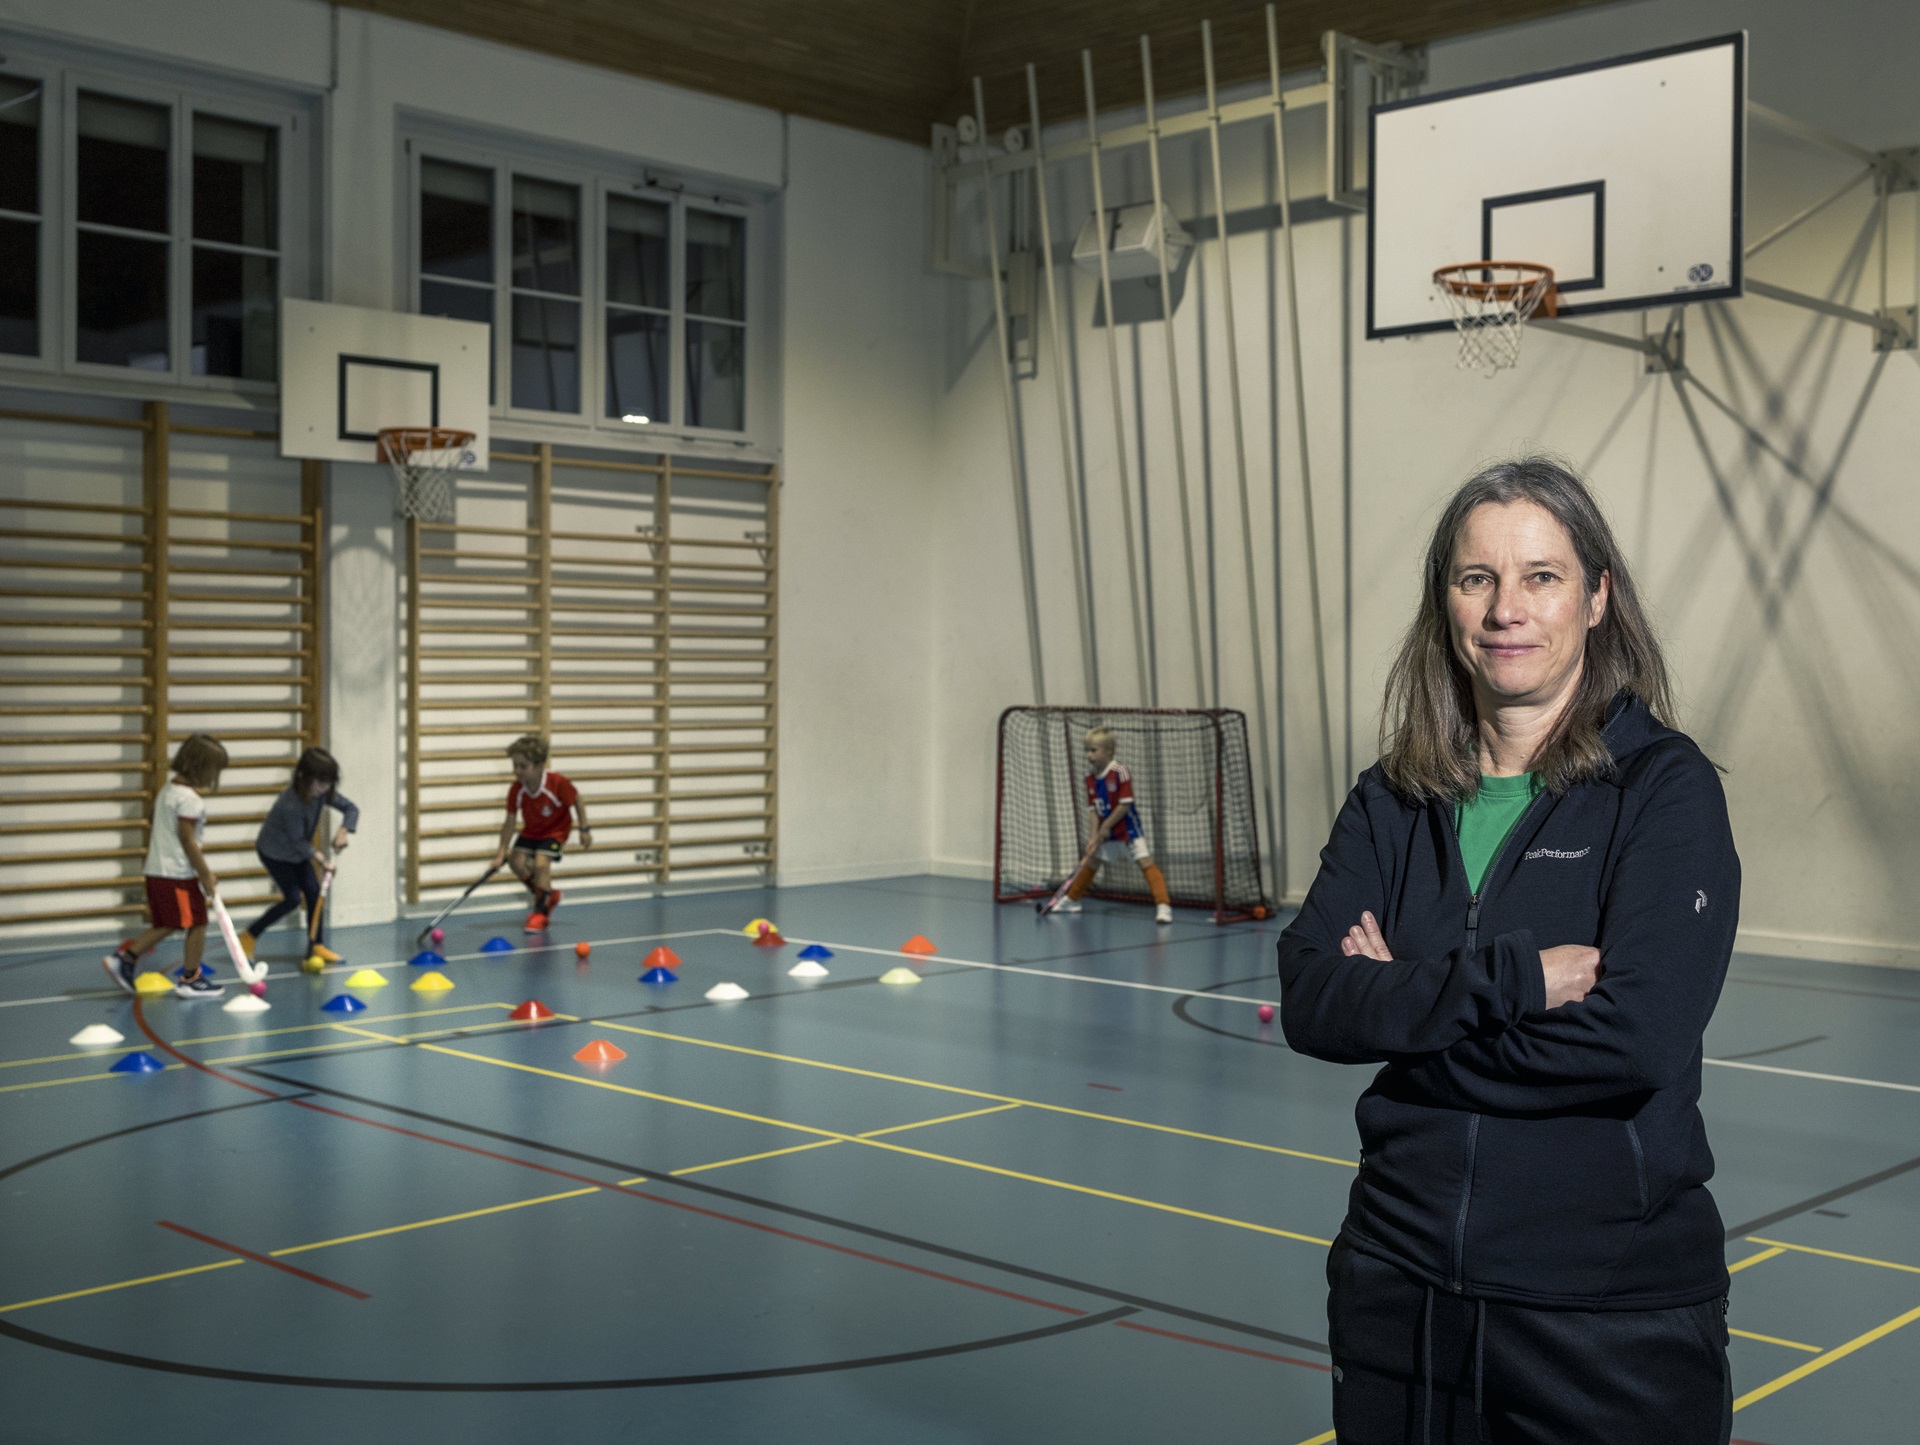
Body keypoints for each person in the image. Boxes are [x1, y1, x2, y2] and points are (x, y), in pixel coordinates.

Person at [1276, 457, 1740, 1444]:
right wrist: (1516, 980)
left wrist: (1402, 1004)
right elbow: (1314, 999)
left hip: (1605, 1316)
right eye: (1475, 576)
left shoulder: (1664, 791)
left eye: (1541, 574)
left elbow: (1635, 1040)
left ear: (1598, 595)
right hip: (1399, 1292)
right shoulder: (1392, 799)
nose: (1505, 608)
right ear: (1443, 599)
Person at [103, 733, 231, 1000]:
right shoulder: (190, 800)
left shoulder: (168, 790)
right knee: (196, 922)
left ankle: (126, 958)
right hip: (176, 874)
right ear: (201, 768)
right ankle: (190, 978)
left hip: (157, 870)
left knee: (169, 922)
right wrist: (205, 874)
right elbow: (187, 840)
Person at [241, 747, 358, 967]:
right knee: (293, 898)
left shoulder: (323, 793)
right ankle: (249, 936)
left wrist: (344, 830)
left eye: (329, 783)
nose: (326, 788)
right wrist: (323, 861)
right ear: (305, 778)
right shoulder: (291, 804)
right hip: (275, 853)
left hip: (297, 853)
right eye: (321, 782)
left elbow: (351, 808)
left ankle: (316, 945)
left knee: (314, 894)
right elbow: (298, 842)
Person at [1052, 726, 1174, 925]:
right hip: (1105, 832)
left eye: (1094, 750)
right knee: (1092, 862)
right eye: (1087, 750)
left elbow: (1125, 804)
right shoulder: (1089, 778)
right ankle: (1071, 900)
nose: (1089, 755)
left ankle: (1163, 906)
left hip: (1127, 829)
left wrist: (1106, 826)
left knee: (1145, 863)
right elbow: (1093, 809)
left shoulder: (1120, 771)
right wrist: (1093, 836)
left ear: (1109, 751)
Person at [489, 735, 591, 932]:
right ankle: (546, 895)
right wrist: (501, 853)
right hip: (532, 831)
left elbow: (577, 799)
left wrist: (584, 829)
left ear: (540, 765)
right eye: (515, 766)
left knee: (540, 864)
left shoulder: (556, 783)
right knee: (516, 863)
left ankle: (540, 913)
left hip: (556, 831)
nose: (517, 771)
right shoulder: (516, 789)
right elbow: (509, 822)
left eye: (523, 766)